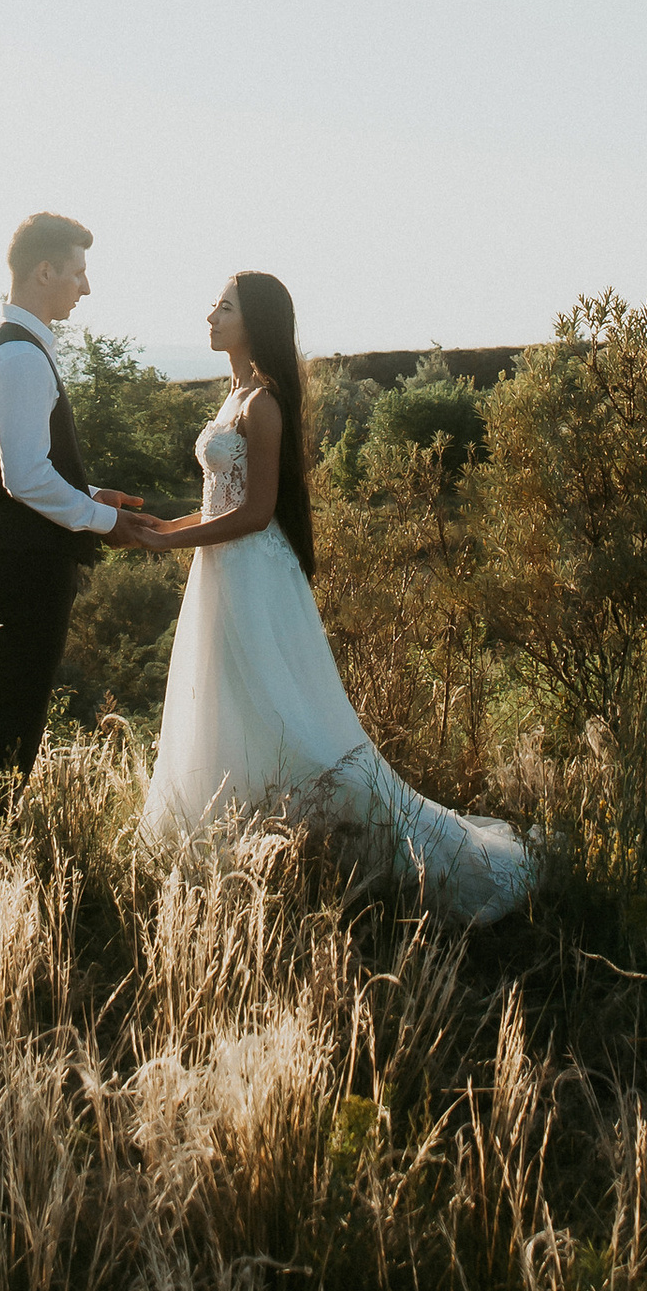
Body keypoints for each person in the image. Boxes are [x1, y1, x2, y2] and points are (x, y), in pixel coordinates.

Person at [129, 270, 531, 923]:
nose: (210, 315)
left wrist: (168, 543)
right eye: (213, 305)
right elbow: (216, 501)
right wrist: (156, 528)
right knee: (229, 701)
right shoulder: (231, 397)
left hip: (254, 575)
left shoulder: (263, 403)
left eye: (223, 306)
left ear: (253, 321)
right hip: (221, 572)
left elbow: (256, 513)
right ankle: (237, 842)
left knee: (287, 713)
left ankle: (353, 841)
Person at [0, 213, 142, 780]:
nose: (86, 287)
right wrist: (100, 519)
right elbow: (25, 478)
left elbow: (22, 466)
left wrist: (89, 492)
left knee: (14, 707)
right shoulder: (18, 356)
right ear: (45, 271)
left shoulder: (4, 346)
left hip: (15, 548)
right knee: (13, 714)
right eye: (78, 272)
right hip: (28, 559)